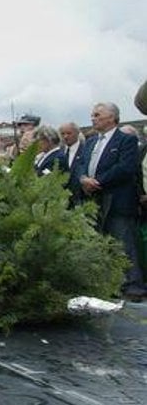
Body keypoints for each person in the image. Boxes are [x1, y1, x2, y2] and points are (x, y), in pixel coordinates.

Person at [72, 102, 145, 300]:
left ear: (112, 117)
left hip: (117, 200)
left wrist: (98, 181)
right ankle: (110, 284)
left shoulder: (125, 140)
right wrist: (83, 179)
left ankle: (134, 286)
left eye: (97, 115)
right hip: (94, 200)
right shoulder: (91, 142)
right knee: (101, 244)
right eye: (92, 114)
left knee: (123, 243)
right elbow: (80, 165)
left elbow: (125, 168)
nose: (93, 118)